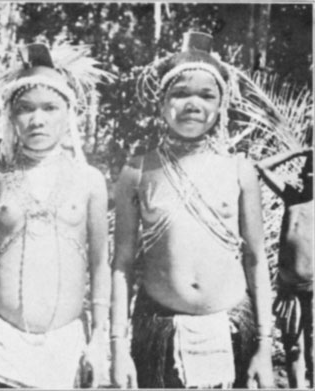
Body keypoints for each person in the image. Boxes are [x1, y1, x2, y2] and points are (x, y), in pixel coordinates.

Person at [111, 31, 274, 389]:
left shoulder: (238, 170)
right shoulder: (137, 172)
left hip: (233, 329)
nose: (192, 104)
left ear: (221, 106)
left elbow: (256, 259)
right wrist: (119, 347)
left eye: (206, 95)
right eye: (180, 94)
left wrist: (263, 345)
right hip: (158, 330)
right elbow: (121, 265)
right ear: (161, 103)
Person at [0, 42, 112, 388]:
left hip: (64, 348)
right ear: (11, 115)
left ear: (68, 113)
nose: (38, 119)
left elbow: (100, 265)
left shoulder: (89, 181)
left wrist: (99, 339)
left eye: (50, 108)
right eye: (26, 109)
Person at [256, 148, 313, 388]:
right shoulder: (292, 197)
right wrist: (300, 152)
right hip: (289, 285)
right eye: (308, 172)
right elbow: (262, 167)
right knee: (293, 346)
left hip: (312, 286)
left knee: (313, 343)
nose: (310, 176)